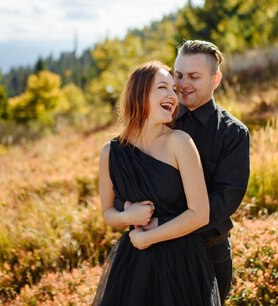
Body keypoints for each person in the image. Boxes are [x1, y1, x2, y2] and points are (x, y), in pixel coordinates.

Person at [117, 40, 251, 303]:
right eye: (178, 75)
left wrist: (161, 224)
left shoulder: (232, 134)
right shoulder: (155, 120)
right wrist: (130, 210)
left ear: (216, 79)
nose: (182, 84)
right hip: (152, 251)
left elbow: (224, 201)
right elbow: (127, 179)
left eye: (194, 77)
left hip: (208, 250)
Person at [93, 61, 221, 306]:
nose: (173, 95)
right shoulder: (110, 152)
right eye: (163, 87)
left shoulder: (180, 142)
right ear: (140, 94)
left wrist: (149, 237)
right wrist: (128, 215)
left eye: (174, 89)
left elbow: (200, 214)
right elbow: (108, 213)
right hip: (134, 265)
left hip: (181, 262)